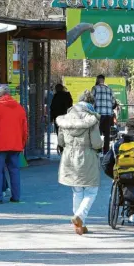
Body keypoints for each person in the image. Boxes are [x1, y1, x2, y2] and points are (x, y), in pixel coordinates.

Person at [56, 90, 103, 235]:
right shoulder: (91, 119)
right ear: (90, 103)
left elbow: (60, 141)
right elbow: (96, 143)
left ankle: (79, 225)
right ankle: (80, 216)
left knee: (77, 191)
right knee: (91, 190)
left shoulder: (66, 118)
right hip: (87, 156)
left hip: (70, 156)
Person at [0, 85, 28, 204]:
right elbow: (25, 130)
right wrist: (22, 143)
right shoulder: (20, 108)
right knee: (14, 170)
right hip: (15, 145)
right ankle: (16, 196)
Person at [91, 74, 115, 154]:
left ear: (97, 80)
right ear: (104, 80)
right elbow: (113, 102)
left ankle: (98, 150)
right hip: (108, 114)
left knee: (97, 133)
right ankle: (106, 151)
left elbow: (91, 101)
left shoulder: (94, 88)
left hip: (98, 114)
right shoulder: (110, 89)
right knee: (107, 135)